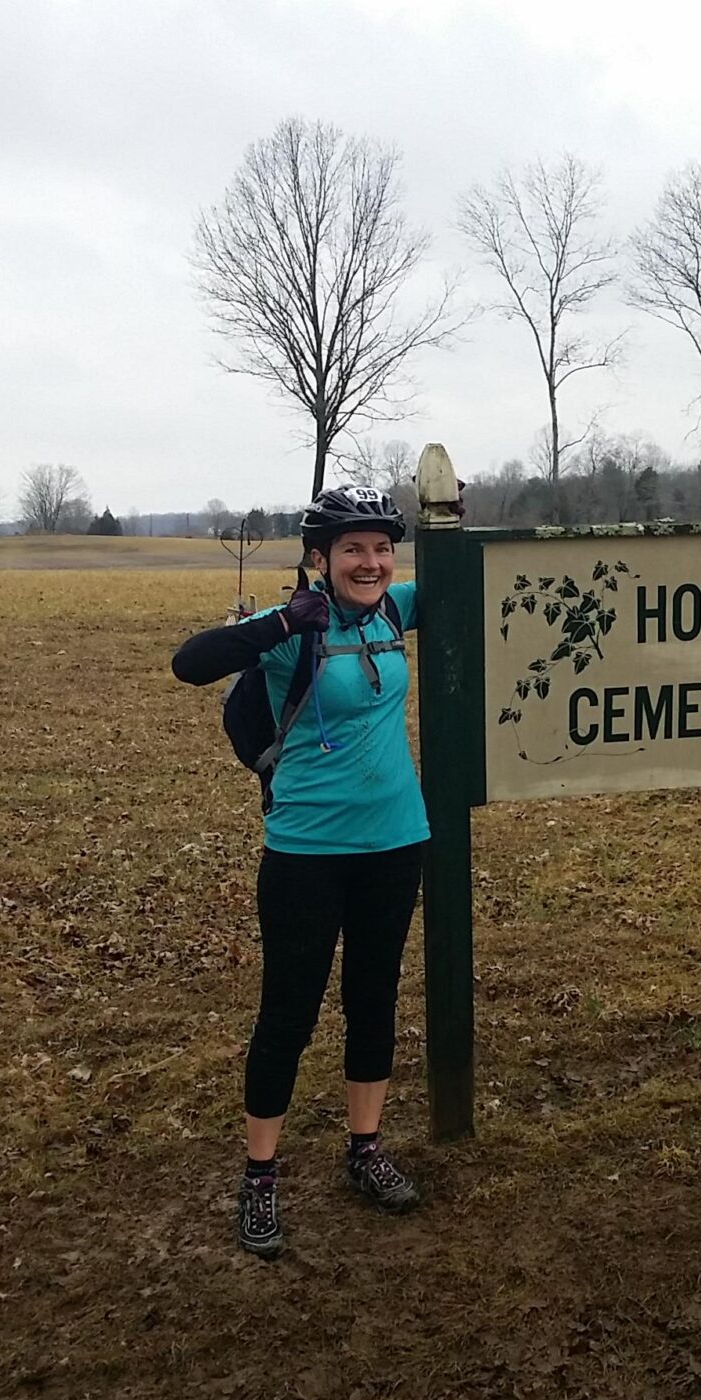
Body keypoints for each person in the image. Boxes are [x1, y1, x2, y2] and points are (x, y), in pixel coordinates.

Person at [170, 484, 430, 1257]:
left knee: (373, 998)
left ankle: (365, 1149)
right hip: (307, 853)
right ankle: (259, 1177)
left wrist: (452, 521)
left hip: (396, 840)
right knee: (289, 1012)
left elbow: (473, 578)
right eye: (353, 548)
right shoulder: (293, 629)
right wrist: (284, 620)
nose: (371, 561)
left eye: (382, 547)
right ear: (319, 559)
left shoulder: (393, 611)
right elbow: (190, 663)